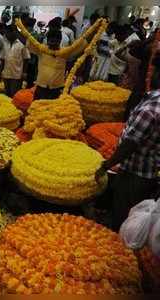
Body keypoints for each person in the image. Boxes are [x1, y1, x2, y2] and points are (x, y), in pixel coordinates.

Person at [95, 53, 160, 231]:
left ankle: (118, 243)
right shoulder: (153, 101)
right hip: (149, 170)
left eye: (155, 71)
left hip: (135, 173)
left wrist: (106, 165)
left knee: (123, 214)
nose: (151, 75)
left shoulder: (150, 108)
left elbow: (130, 144)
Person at [29, 29, 87, 100]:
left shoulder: (65, 52)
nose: (53, 42)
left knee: (53, 109)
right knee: (36, 109)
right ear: (47, 40)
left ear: (59, 41)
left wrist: (94, 30)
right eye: (51, 40)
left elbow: (81, 45)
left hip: (56, 89)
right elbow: (27, 42)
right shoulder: (41, 50)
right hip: (41, 87)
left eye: (56, 40)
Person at [2, 25, 30, 98]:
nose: (6, 35)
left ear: (14, 32)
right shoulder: (5, 43)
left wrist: (24, 72)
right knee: (6, 94)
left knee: (14, 94)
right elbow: (2, 58)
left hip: (17, 74)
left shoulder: (22, 44)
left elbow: (26, 58)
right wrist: (1, 70)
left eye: (7, 33)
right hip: (6, 73)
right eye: (6, 33)